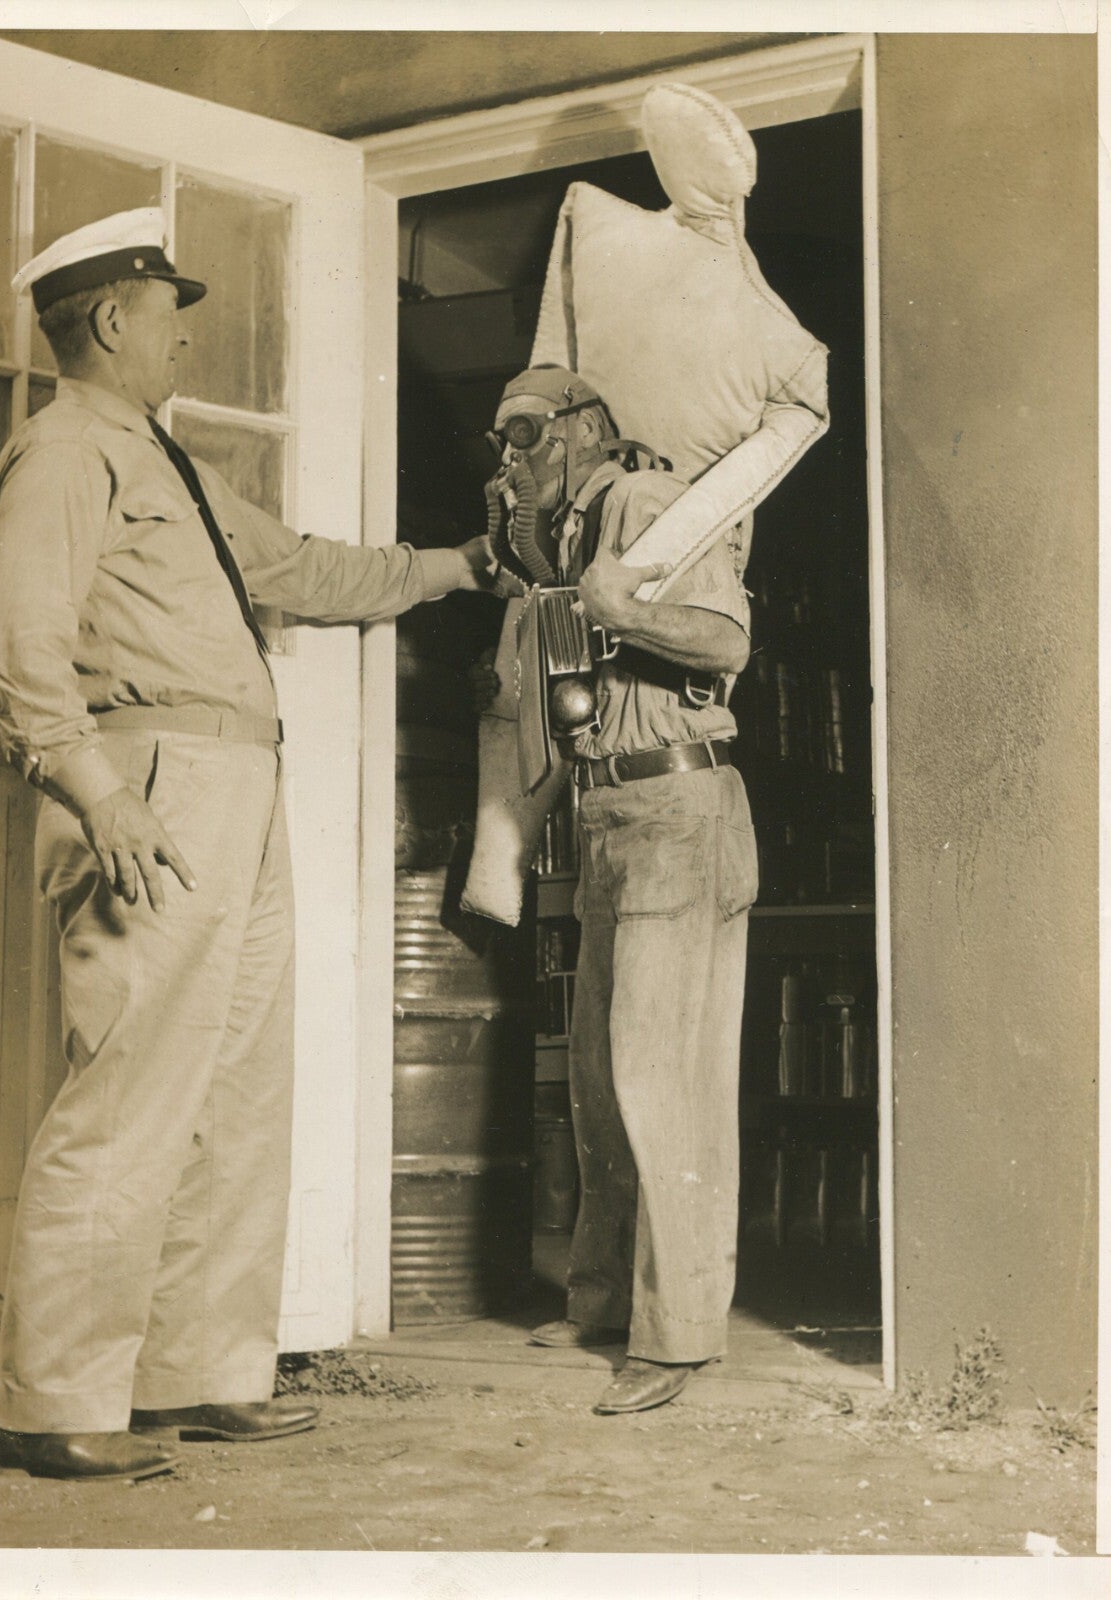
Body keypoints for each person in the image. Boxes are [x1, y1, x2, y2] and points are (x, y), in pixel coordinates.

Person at [0, 208, 494, 1482]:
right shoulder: (64, 451)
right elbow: (13, 640)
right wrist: (99, 792)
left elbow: (305, 569)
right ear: (109, 320)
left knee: (239, 1094)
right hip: (147, 789)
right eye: (168, 314)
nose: (183, 335)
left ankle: (197, 1374)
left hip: (233, 790)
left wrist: (464, 564)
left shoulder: (167, 461)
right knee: (133, 1094)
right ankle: (55, 1403)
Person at [484, 366, 757, 1417]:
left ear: (584, 430)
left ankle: (678, 1337)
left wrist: (614, 599)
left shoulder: (641, 507)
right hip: (610, 818)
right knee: (601, 1078)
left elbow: (725, 640)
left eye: (525, 434)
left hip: (675, 813)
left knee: (659, 1081)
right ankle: (601, 1303)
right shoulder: (562, 543)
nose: (509, 459)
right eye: (499, 443)